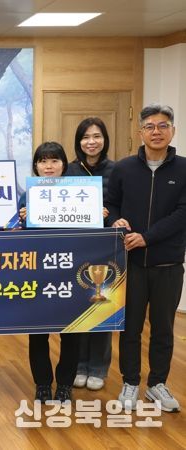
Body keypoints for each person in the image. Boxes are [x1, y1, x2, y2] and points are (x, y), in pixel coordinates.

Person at [107, 104, 185, 413]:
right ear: (140, 132)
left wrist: (147, 237)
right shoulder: (124, 168)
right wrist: (114, 220)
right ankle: (130, 382)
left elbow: (182, 214)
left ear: (172, 131)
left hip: (168, 264)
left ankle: (157, 384)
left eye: (163, 126)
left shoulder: (183, 169)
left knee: (163, 328)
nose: (156, 131)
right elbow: (111, 204)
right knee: (130, 328)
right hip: (132, 264)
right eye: (150, 126)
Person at [19, 142, 80, 403]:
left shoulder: (80, 194)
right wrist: (21, 220)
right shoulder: (27, 196)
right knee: (38, 331)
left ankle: (65, 384)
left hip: (71, 271)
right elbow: (16, 235)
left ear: (64, 165)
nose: (49, 166)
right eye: (43, 161)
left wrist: (98, 216)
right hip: (39, 272)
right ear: (36, 166)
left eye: (55, 160)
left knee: (73, 331)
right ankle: (42, 383)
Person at [66, 117, 115, 392]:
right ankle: (79, 365)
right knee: (78, 309)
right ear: (78, 141)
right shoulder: (69, 170)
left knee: (102, 306)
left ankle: (98, 368)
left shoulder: (117, 170)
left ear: (104, 139)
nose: (91, 142)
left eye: (97, 136)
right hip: (76, 248)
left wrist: (110, 215)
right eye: (85, 137)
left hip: (106, 249)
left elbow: (122, 207)